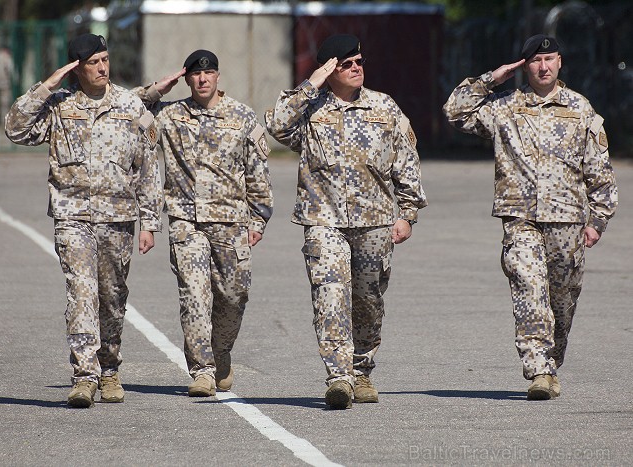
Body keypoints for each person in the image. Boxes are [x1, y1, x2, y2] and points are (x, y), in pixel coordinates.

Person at [443, 34, 618, 400]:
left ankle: (552, 356)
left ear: (560, 62)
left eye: (550, 59)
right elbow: (455, 112)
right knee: (528, 285)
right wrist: (493, 79)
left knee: (562, 301)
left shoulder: (579, 108)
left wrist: (598, 220)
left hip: (568, 221)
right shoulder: (505, 107)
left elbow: (599, 169)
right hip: (520, 217)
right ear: (525, 66)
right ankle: (538, 369)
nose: (543, 67)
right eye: (536, 61)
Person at [265, 34, 427, 409]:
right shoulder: (309, 109)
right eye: (346, 63)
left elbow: (406, 160)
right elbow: (276, 125)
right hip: (324, 221)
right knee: (330, 295)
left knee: (367, 300)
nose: (357, 68)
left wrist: (407, 213)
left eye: (359, 61)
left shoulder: (383, 107)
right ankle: (338, 378)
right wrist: (313, 81)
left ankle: (361, 369)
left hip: (375, 223)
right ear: (329, 69)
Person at [5, 33, 163, 408]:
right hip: (72, 216)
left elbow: (148, 167)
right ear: (77, 68)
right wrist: (46, 86)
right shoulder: (59, 105)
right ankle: (84, 376)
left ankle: (109, 369)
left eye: (105, 59)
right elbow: (15, 128)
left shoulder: (129, 104)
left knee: (111, 298)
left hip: (118, 218)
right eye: (93, 62)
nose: (103, 67)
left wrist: (150, 221)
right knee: (81, 292)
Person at [134, 50, 274, 397]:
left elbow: (258, 173)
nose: (202, 79)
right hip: (186, 222)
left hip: (232, 223)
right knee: (194, 297)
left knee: (233, 295)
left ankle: (220, 352)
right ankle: (202, 371)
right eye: (195, 75)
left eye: (208, 73)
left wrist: (258, 219)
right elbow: (128, 112)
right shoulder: (171, 115)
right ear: (187, 79)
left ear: (217, 76)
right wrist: (157, 89)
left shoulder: (241, 116)